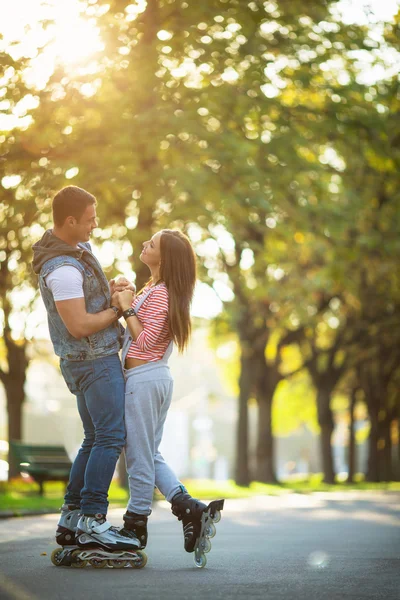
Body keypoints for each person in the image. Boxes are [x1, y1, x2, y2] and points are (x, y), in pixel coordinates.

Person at [32, 185, 140, 559]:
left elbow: (87, 304)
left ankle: (71, 518)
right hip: (92, 361)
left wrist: (112, 291)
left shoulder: (76, 252)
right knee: (110, 437)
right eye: (90, 219)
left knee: (94, 439)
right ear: (70, 220)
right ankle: (94, 521)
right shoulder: (61, 268)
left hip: (86, 362)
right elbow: (78, 325)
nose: (96, 224)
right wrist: (119, 310)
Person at [113, 229, 224, 566]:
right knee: (149, 453)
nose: (145, 244)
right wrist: (124, 301)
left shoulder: (162, 293)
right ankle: (190, 510)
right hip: (149, 378)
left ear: (164, 258)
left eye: (153, 244)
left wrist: (126, 308)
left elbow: (143, 343)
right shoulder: (156, 290)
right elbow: (136, 336)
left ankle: (135, 526)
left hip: (145, 379)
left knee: (138, 457)